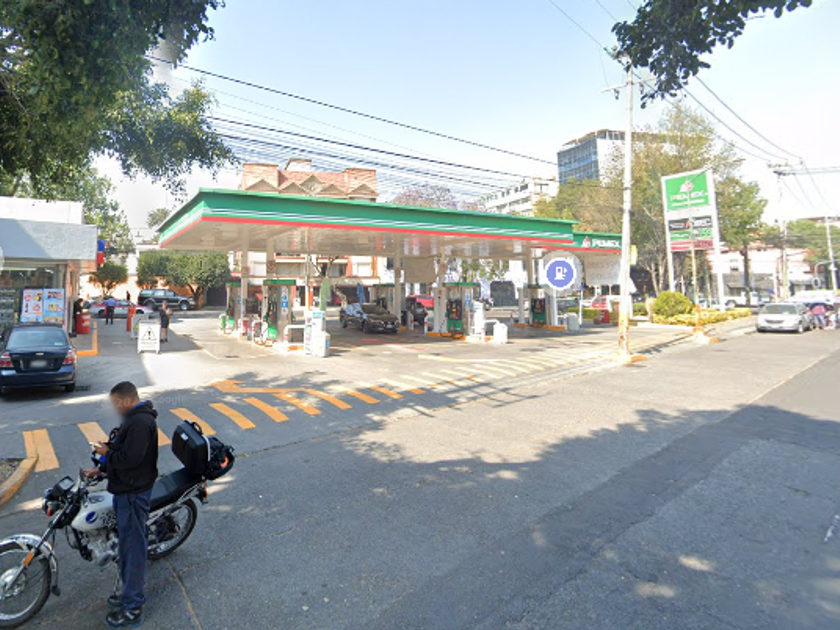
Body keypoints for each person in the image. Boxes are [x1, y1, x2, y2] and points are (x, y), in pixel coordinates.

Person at [84, 381, 158, 628]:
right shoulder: (133, 419)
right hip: (126, 489)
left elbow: (130, 459)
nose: (115, 408)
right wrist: (101, 469)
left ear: (127, 400)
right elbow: (123, 451)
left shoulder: (140, 423)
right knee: (126, 545)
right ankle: (127, 594)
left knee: (132, 550)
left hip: (133, 493)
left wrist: (106, 453)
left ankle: (133, 608)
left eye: (116, 403)